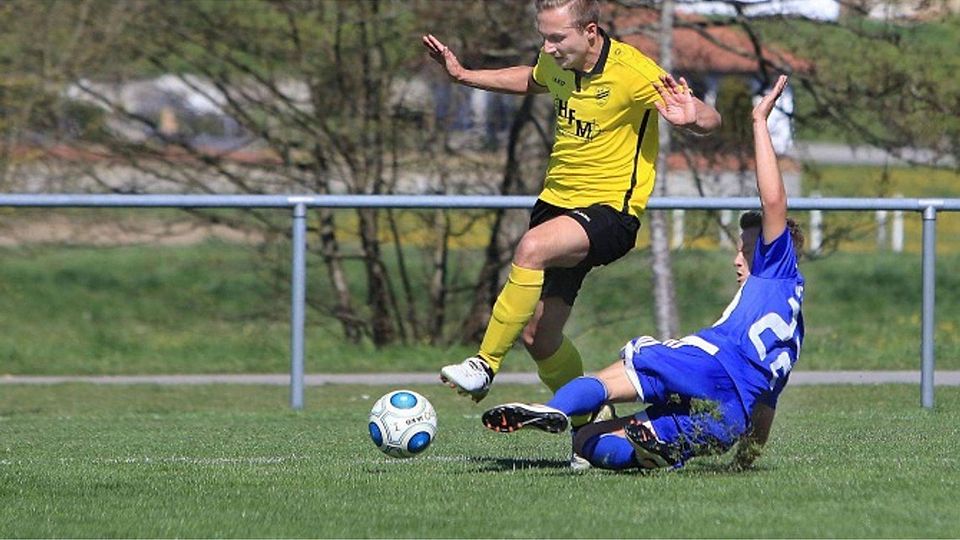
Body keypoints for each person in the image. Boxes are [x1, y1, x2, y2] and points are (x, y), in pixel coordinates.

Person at [481, 75, 804, 471]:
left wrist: (758, 122)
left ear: (778, 251)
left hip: (705, 365)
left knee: (609, 382)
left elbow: (774, 201)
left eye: (748, 251)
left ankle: (555, 408)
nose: (738, 259)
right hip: (731, 414)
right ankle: (650, 453)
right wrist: (743, 464)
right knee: (587, 443)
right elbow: (765, 410)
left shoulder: (778, 267)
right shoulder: (792, 332)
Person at [422, 0, 721, 410]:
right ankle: (591, 419)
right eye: (544, 37)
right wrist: (464, 75)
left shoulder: (633, 72)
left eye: (557, 38)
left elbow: (708, 117)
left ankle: (484, 365)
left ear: (590, 32)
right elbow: (532, 78)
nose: (548, 47)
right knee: (539, 339)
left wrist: (694, 119)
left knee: (532, 247)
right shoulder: (558, 61)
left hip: (611, 212)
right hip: (555, 205)